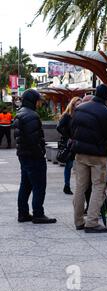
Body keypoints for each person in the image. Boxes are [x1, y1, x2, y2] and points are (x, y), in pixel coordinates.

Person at [71, 84, 107, 233]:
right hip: (97, 155)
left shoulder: (80, 107)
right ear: (106, 97)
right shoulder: (106, 113)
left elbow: (72, 129)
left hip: (80, 153)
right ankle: (92, 222)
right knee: (98, 186)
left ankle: (78, 221)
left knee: (80, 186)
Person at [14, 89, 57, 224]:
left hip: (23, 155)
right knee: (39, 185)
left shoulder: (20, 113)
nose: (40, 103)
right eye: (38, 100)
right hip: (33, 156)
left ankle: (23, 213)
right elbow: (34, 139)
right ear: (33, 100)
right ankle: (38, 214)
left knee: (25, 185)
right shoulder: (31, 115)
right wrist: (41, 153)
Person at [57, 97, 82, 195]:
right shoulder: (67, 115)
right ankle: (66, 185)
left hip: (79, 142)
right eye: (77, 104)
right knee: (69, 165)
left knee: (80, 164)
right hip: (70, 144)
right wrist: (68, 137)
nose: (79, 106)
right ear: (72, 105)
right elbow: (59, 127)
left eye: (80, 104)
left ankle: (80, 185)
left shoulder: (80, 115)